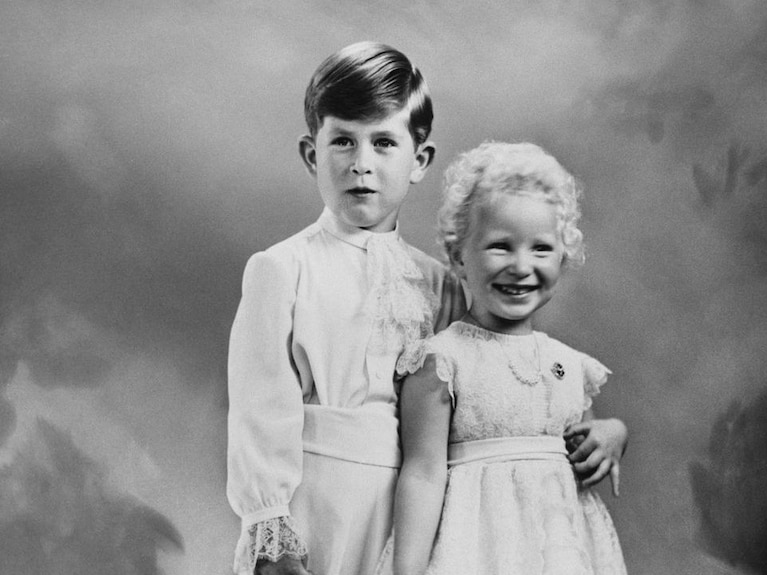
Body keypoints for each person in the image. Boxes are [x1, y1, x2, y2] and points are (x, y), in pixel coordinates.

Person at [226, 42, 626, 575]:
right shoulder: (282, 268)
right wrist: (272, 528)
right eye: (342, 140)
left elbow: (486, 398)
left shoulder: (442, 285)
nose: (361, 164)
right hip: (315, 505)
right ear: (311, 153)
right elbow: (260, 410)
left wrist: (605, 428)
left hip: (419, 512)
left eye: (383, 143)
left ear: (419, 160)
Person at [386, 142, 628, 575]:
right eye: (500, 246)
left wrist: (614, 433)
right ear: (460, 254)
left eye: (541, 249)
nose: (521, 266)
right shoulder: (442, 361)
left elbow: (581, 438)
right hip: (477, 552)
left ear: (563, 256)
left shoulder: (569, 365)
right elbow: (422, 474)